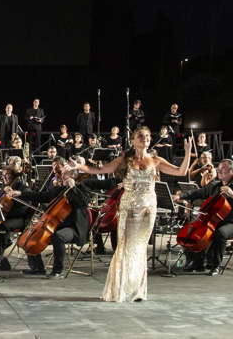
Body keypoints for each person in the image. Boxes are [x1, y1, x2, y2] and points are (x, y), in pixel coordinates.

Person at [72, 126, 192, 301]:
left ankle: (136, 291)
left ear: (150, 140)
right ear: (133, 140)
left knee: (140, 248)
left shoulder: (156, 160)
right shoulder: (125, 160)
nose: (144, 138)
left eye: (147, 136)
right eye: (140, 136)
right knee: (125, 246)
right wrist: (80, 166)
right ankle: (119, 289)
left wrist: (187, 152)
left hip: (148, 209)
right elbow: (101, 170)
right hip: (129, 208)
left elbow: (181, 172)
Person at [6, 160, 93, 277]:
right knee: (31, 235)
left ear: (73, 174)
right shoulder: (59, 189)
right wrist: (20, 193)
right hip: (58, 225)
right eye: (61, 174)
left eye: (65, 173)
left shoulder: (81, 187)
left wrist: (73, 188)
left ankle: (57, 270)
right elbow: (41, 196)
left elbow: (84, 202)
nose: (61, 176)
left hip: (74, 228)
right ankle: (38, 268)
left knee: (58, 237)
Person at [175, 160, 233, 274]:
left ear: (232, 171)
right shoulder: (215, 185)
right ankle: (197, 262)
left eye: (222, 169)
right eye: (219, 168)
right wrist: (180, 196)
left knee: (220, 233)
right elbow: (198, 192)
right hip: (213, 220)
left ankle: (215, 265)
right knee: (191, 231)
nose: (218, 171)